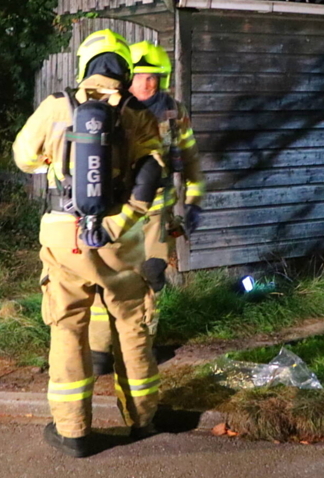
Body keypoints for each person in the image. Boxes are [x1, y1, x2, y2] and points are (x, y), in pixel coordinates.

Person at [13, 29, 164, 458]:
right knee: (131, 326)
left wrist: (52, 158)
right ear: (125, 70)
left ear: (84, 65)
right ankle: (143, 419)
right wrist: (120, 223)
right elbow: (152, 171)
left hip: (65, 236)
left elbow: (24, 157)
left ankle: (74, 432)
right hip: (119, 239)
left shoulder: (56, 105)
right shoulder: (137, 113)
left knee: (68, 328)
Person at [89, 40, 206, 375]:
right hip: (117, 213)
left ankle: (141, 349)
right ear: (129, 77)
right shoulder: (110, 108)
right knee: (106, 280)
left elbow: (190, 158)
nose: (150, 84)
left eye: (156, 77)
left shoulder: (174, 112)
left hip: (155, 214)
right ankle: (99, 353)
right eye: (143, 76)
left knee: (151, 277)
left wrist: (194, 202)